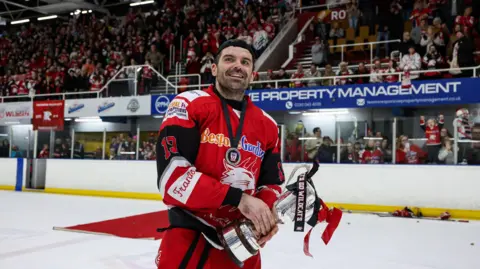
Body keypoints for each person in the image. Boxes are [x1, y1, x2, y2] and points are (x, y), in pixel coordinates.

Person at [155, 39, 285, 269]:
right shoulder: (188, 104)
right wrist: (240, 200)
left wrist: (263, 217)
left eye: (245, 62)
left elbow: (271, 183)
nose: (238, 66)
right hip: (189, 241)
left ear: (252, 74)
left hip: (242, 245)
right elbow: (172, 179)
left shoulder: (268, 124)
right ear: (214, 69)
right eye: (229, 59)